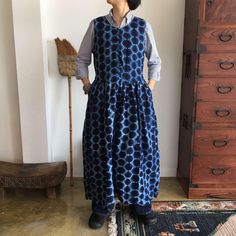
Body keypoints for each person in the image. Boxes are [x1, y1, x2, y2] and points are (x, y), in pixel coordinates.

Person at [76, 0, 162, 229]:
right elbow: (82, 59)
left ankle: (140, 204)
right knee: (101, 150)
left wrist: (147, 89)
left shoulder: (143, 26)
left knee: (137, 149)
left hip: (135, 100)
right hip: (103, 101)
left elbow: (155, 61)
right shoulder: (96, 26)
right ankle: (101, 206)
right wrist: (88, 86)